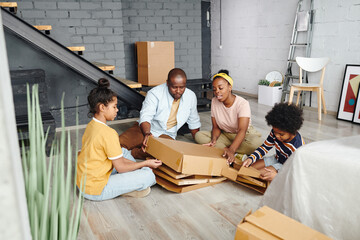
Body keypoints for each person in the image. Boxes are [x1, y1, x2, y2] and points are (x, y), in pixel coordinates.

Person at [76, 78, 162, 201]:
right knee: (148, 175)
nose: (117, 110)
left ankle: (131, 178)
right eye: (114, 106)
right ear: (102, 107)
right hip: (95, 189)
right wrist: (145, 163)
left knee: (123, 151)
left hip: (84, 181)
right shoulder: (108, 133)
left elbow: (120, 159)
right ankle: (128, 185)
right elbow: (120, 167)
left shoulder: (91, 125)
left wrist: (137, 166)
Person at [119, 68, 201, 159]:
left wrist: (199, 141)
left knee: (165, 153)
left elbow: (194, 122)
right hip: (146, 129)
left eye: (182, 87)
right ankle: (132, 151)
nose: (178, 91)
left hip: (167, 135)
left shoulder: (191, 96)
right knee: (117, 144)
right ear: (167, 83)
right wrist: (147, 134)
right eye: (174, 87)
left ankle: (132, 153)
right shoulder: (154, 94)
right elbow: (146, 116)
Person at [195, 69, 263, 164]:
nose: (217, 91)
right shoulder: (214, 101)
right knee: (199, 136)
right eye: (214, 89)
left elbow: (242, 131)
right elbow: (216, 127)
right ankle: (235, 153)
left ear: (230, 87)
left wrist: (231, 149)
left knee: (256, 144)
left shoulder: (242, 103)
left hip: (244, 135)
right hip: (226, 134)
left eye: (220, 88)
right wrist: (214, 140)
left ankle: (228, 150)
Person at [242, 103, 305, 181]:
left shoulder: (297, 147)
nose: (277, 136)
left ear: (292, 131)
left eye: (281, 134)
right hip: (277, 158)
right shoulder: (276, 132)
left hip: (287, 167)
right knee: (248, 168)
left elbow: (296, 171)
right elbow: (265, 147)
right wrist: (251, 158)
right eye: (275, 132)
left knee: (259, 175)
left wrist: (277, 175)